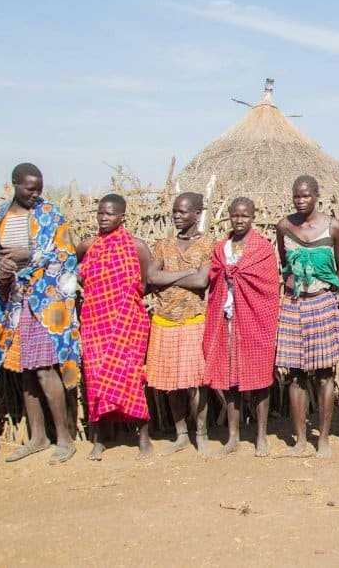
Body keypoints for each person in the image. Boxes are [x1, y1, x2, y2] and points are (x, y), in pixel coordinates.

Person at [0, 163, 80, 465]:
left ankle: (64, 438)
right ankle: (38, 438)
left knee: (45, 369)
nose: (36, 193)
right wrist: (1, 269)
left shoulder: (49, 214)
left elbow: (65, 254)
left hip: (46, 302)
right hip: (14, 302)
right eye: (30, 188)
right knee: (25, 373)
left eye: (39, 187)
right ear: (14, 184)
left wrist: (30, 256)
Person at [275, 175, 339, 459]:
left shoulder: (333, 227)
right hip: (293, 304)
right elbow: (285, 264)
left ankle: (325, 439)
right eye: (296, 196)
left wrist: (331, 292)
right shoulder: (284, 226)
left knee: (324, 375)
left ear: (317, 195)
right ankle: (301, 440)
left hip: (322, 303)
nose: (300, 200)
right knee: (294, 376)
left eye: (306, 195)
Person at [77, 194, 153, 460]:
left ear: (123, 217)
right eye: (100, 213)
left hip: (128, 322)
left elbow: (145, 283)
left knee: (133, 377)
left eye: (110, 213)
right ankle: (98, 441)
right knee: (95, 379)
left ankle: (143, 438)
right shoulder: (88, 246)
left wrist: (122, 301)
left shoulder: (137, 247)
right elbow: (81, 275)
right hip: (95, 324)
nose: (103, 217)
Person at [203, 197, 281, 457]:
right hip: (226, 320)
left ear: (253, 216)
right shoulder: (221, 248)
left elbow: (269, 287)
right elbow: (214, 279)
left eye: (244, 215)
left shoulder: (262, 249)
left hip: (256, 320)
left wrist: (238, 278)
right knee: (229, 379)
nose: (239, 220)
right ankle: (233, 437)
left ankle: (261, 436)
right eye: (234, 215)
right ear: (228, 216)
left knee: (259, 378)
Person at [146, 192, 213, 456]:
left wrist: (168, 277)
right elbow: (152, 276)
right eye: (175, 211)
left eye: (183, 212)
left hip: (193, 319)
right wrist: (186, 272)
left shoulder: (207, 244)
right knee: (170, 382)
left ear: (197, 213)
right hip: (164, 319)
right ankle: (181, 434)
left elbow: (202, 282)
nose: (177, 216)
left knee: (196, 381)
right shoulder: (163, 244)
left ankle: (202, 433)